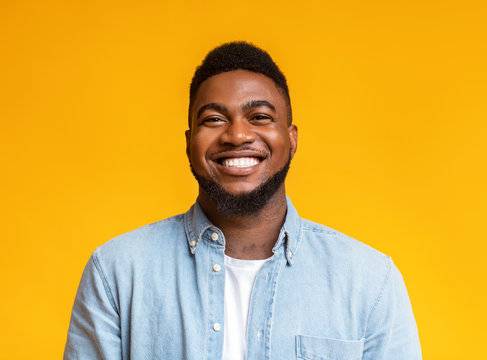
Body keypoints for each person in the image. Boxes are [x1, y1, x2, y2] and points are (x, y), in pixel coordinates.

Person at [64, 41, 422, 360]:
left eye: (260, 117)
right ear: (190, 142)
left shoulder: (369, 281)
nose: (237, 134)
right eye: (215, 119)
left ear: (291, 138)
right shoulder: (117, 272)